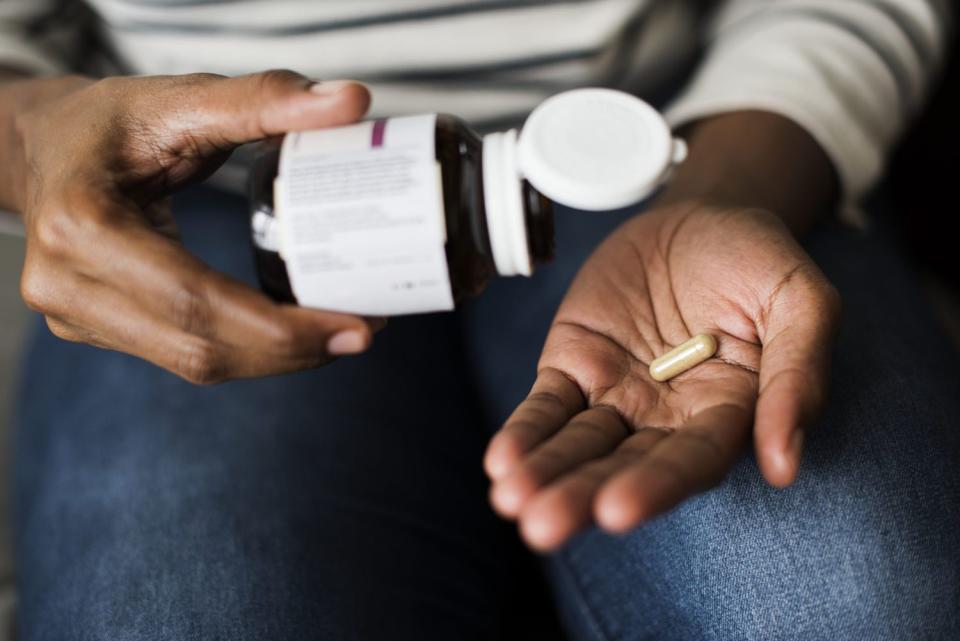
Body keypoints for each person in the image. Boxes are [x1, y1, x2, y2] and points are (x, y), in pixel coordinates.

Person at [1, 1, 958, 639]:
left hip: (681, 150)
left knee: (863, 602)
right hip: (207, 186)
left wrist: (731, 187)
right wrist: (35, 140)